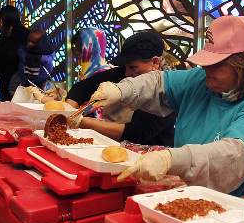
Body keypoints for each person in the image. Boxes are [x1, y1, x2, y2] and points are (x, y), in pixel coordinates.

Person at [93, 16, 244, 194]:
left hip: (237, 208)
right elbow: (159, 83)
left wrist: (170, 159)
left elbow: (231, 157)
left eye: (216, 63)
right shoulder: (202, 80)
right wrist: (121, 90)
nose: (206, 69)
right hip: (190, 197)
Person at [33, 31, 176, 147]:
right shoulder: (123, 73)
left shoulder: (168, 90)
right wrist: (68, 108)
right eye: (125, 67)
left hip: (151, 154)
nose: (126, 73)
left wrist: (80, 120)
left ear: (155, 62)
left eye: (133, 67)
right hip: (118, 146)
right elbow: (82, 88)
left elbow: (136, 133)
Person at [0, 5, 29, 101]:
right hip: (10, 89)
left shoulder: (20, 37)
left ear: (2, 21)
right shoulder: (6, 36)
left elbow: (9, 62)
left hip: (18, 91)